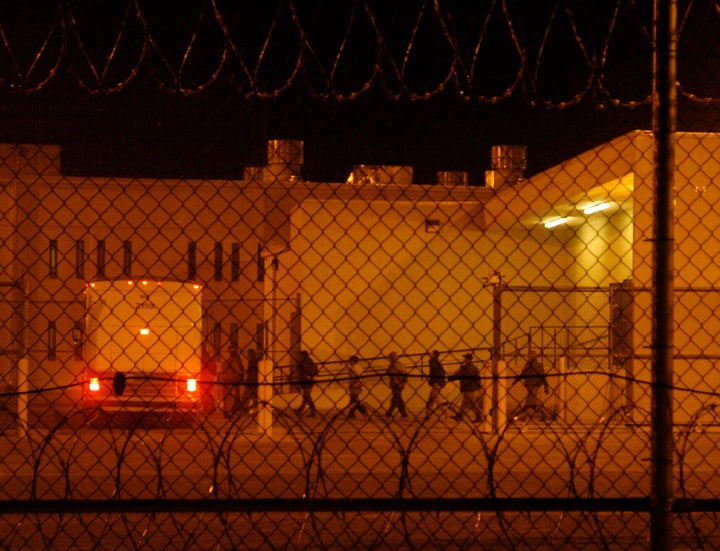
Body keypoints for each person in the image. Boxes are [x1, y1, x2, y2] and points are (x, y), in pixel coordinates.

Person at [515, 350, 550, 418]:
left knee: (531, 402)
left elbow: (523, 374)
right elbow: (542, 376)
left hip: (532, 385)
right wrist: (546, 386)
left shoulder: (530, 365)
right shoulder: (536, 365)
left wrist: (516, 380)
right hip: (534, 385)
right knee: (533, 401)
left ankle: (519, 416)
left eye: (530, 355)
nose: (528, 357)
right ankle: (546, 416)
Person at [449, 353, 483, 422]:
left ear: (468, 359)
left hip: (469, 388)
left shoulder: (466, 368)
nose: (464, 359)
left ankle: (460, 417)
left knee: (468, 404)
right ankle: (460, 416)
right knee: (467, 404)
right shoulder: (474, 367)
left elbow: (459, 375)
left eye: (465, 358)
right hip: (474, 388)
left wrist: (451, 378)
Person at [220, 343, 244, 418]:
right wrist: (240, 374)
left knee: (227, 397)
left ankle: (228, 411)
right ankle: (228, 412)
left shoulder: (226, 361)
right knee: (230, 397)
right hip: (231, 380)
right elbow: (237, 370)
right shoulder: (233, 360)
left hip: (226, 380)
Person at [293, 350, 318, 417]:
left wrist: (298, 381)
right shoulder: (310, 361)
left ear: (303, 355)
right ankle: (300, 410)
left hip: (305, 381)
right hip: (311, 380)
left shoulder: (303, 363)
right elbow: (316, 370)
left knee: (307, 396)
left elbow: (301, 373)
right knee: (306, 396)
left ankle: (313, 410)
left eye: (300, 355)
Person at [385, 351, 408, 418]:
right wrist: (402, 383)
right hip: (400, 384)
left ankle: (389, 413)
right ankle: (403, 414)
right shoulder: (400, 364)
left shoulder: (393, 365)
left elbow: (393, 375)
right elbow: (405, 375)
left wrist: (397, 383)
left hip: (396, 384)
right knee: (397, 398)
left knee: (396, 399)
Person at [424, 349, 446, 419]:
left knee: (431, 399)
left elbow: (433, 373)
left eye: (431, 353)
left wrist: (433, 381)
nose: (429, 353)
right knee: (436, 399)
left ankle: (428, 415)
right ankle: (445, 413)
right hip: (437, 383)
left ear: (434, 355)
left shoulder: (433, 363)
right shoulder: (436, 363)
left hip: (436, 383)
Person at [199, 347, 218, 415]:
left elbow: (211, 371)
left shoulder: (208, 362)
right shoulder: (208, 362)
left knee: (206, 394)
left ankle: (208, 407)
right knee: (206, 394)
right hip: (206, 380)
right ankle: (208, 407)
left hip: (207, 380)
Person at [240, 348, 259, 413]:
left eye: (248, 354)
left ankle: (243, 410)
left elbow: (252, 374)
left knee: (246, 397)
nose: (248, 355)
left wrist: (247, 380)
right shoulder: (254, 362)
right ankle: (256, 409)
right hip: (254, 382)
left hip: (251, 382)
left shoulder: (252, 362)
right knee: (254, 397)